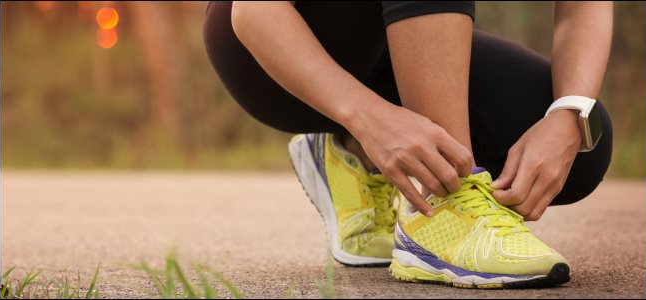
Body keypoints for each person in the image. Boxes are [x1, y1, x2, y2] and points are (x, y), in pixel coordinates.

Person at [203, 1, 613, 288]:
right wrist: (368, 119)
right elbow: (254, 11)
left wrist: (569, 116)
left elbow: (583, 7)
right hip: (268, 49)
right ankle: (445, 209)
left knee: (585, 154)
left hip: (391, 43)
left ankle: (351, 157)